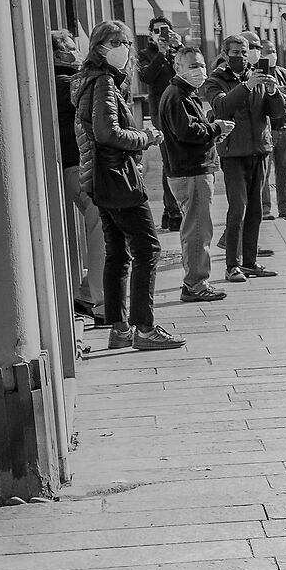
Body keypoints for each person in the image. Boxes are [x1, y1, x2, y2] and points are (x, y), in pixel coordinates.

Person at [72, 20, 181, 350]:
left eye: (126, 42)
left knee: (117, 253)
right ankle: (144, 328)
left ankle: (119, 329)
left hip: (101, 179)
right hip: (117, 177)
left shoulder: (94, 79)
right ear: (98, 47)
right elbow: (107, 133)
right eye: (114, 42)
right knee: (148, 249)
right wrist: (144, 137)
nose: (123, 48)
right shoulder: (104, 81)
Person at [155, 42, 235, 304]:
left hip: (192, 168)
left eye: (201, 65)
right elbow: (187, 132)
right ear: (178, 67)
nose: (199, 70)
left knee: (197, 227)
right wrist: (215, 128)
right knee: (198, 229)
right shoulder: (177, 95)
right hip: (190, 171)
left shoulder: (184, 94)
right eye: (193, 66)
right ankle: (195, 283)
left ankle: (196, 281)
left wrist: (211, 129)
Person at [203, 41, 276, 282]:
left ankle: (250, 262)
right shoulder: (215, 81)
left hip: (259, 150)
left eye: (245, 53)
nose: (242, 57)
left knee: (255, 209)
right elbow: (222, 106)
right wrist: (246, 86)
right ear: (225, 54)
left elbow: (276, 114)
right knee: (238, 208)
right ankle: (232, 265)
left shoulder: (257, 77)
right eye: (236, 53)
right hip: (234, 153)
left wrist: (273, 92)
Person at [51, 31, 101, 318]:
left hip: (75, 166)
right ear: (58, 54)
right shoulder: (65, 83)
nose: (76, 51)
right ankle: (98, 298)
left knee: (99, 229)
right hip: (79, 166)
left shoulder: (65, 82)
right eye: (70, 47)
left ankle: (88, 293)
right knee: (101, 229)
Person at [138, 22, 183, 230]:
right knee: (168, 159)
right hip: (160, 111)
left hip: (181, 108)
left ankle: (170, 209)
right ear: (151, 34)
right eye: (157, 31)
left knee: (179, 158)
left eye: (165, 30)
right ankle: (173, 211)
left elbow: (190, 70)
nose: (161, 34)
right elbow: (146, 77)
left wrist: (179, 47)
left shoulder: (177, 51)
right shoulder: (146, 54)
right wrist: (161, 53)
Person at [253, 50, 286, 220]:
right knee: (264, 172)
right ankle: (265, 208)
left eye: (274, 51)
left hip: (285, 127)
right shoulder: (256, 73)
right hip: (268, 129)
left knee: (285, 169)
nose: (272, 54)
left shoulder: (282, 72)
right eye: (268, 51)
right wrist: (277, 90)